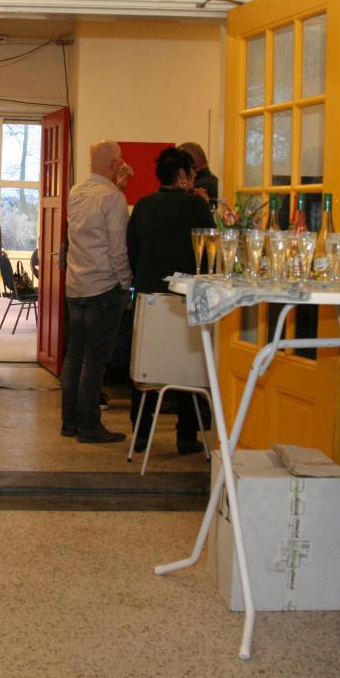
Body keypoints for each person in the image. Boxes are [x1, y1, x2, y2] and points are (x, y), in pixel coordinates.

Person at [126, 147, 215, 455]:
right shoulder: (197, 206)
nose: (193, 179)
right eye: (191, 173)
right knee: (188, 365)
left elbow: (132, 251)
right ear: (181, 176)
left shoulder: (143, 206)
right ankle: (186, 436)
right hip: (185, 296)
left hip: (150, 297)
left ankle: (141, 433)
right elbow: (210, 250)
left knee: (145, 365)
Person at [60, 140, 133, 444]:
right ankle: (90, 426)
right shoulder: (113, 199)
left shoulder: (76, 192)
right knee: (95, 361)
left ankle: (70, 422)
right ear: (114, 164)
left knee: (74, 355)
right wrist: (126, 283)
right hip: (103, 288)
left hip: (75, 286)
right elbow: (117, 251)